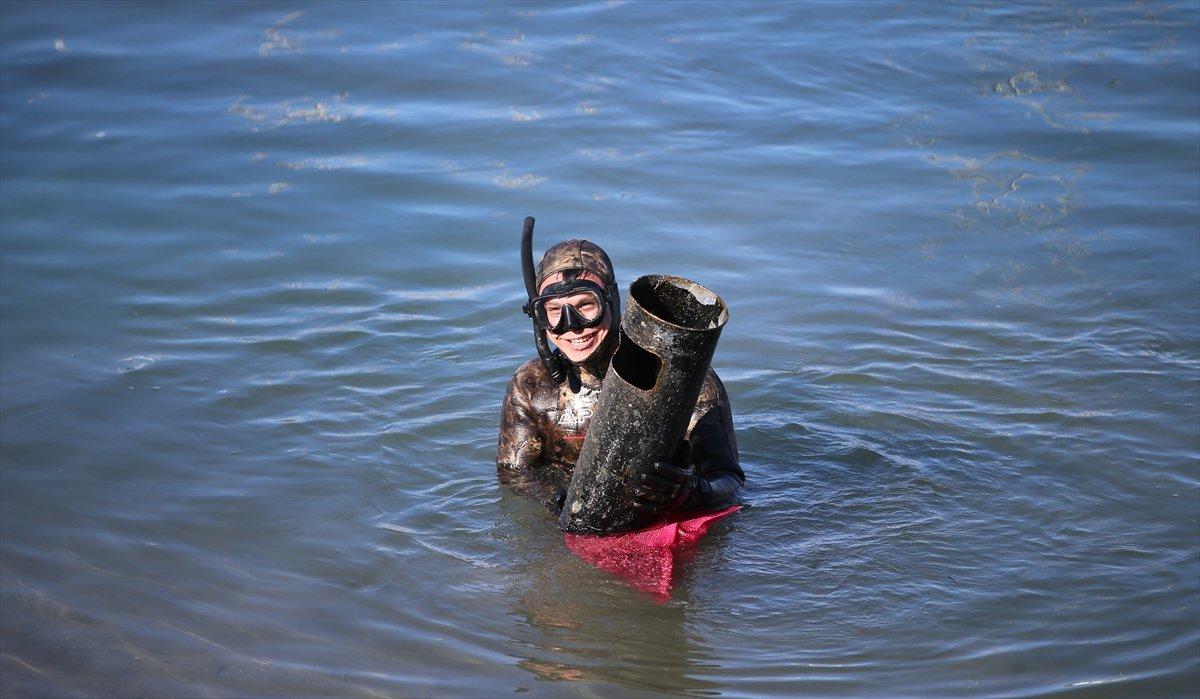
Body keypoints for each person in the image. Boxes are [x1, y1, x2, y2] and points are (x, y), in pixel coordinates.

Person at [496, 236, 743, 521]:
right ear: (539, 318)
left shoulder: (685, 380)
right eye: (554, 311)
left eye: (586, 305)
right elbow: (514, 473)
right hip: (574, 523)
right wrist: (556, 494)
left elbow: (729, 481)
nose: (572, 326)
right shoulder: (530, 385)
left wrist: (691, 492)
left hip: (665, 520)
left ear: (611, 301)